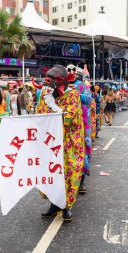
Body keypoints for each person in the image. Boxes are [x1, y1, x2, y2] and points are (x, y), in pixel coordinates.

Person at [36, 65, 85, 222]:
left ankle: (66, 206)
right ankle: (54, 204)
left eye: (56, 81)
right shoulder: (45, 93)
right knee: (51, 171)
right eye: (49, 81)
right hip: (50, 141)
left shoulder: (73, 95)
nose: (52, 85)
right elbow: (40, 115)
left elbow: (69, 118)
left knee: (68, 171)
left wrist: (54, 105)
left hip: (69, 141)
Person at [66, 65, 92, 194]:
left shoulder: (82, 85)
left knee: (83, 152)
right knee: (68, 153)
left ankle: (81, 181)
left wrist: (75, 92)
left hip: (82, 123)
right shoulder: (61, 85)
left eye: (73, 70)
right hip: (67, 125)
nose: (71, 72)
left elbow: (88, 99)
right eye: (68, 70)